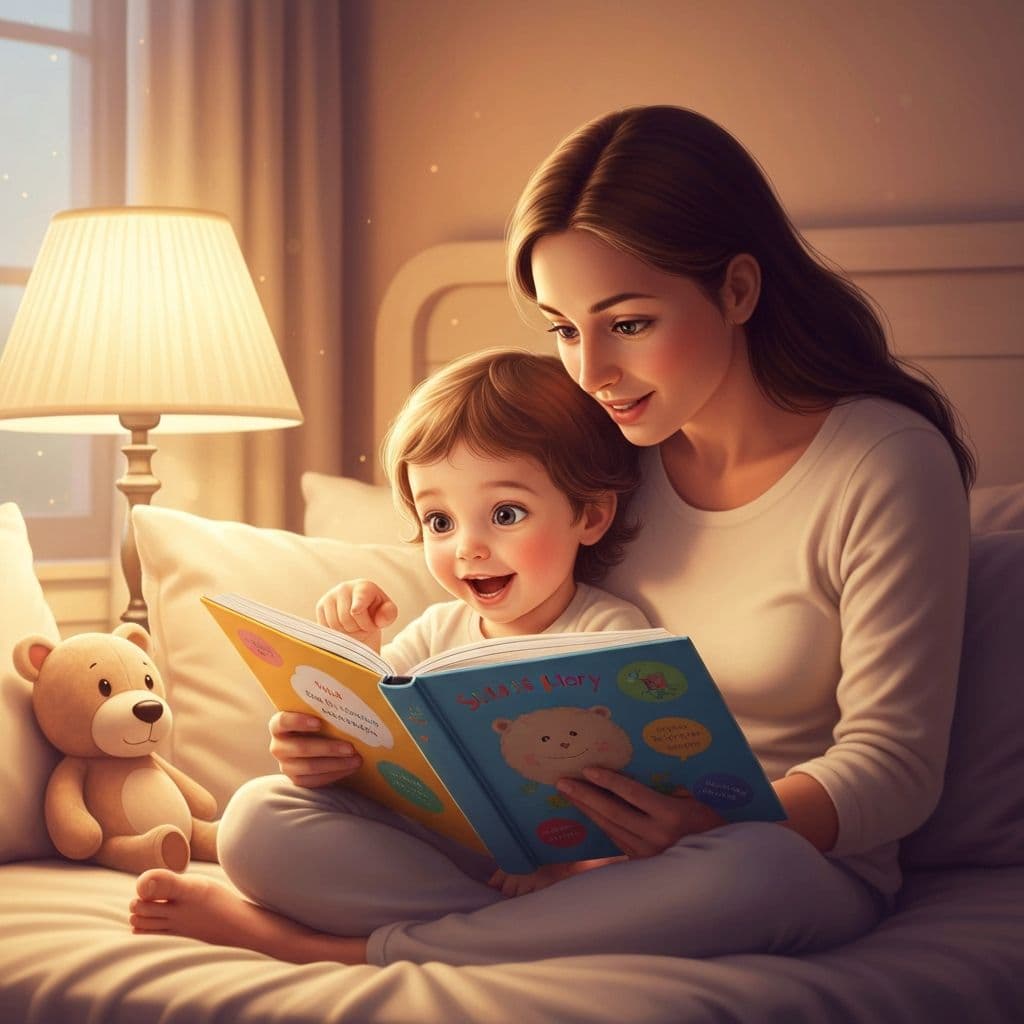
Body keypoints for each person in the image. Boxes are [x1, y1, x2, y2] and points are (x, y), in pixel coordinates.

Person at [130, 105, 972, 969]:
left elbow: (894, 767)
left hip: (774, 853)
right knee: (262, 818)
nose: (593, 371)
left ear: (739, 290)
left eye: (630, 323)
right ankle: (525, 933)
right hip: (545, 858)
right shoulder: (604, 449)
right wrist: (344, 745)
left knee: (752, 872)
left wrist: (713, 821)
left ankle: (346, 952)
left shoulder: (884, 463)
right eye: (565, 329)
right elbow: (486, 630)